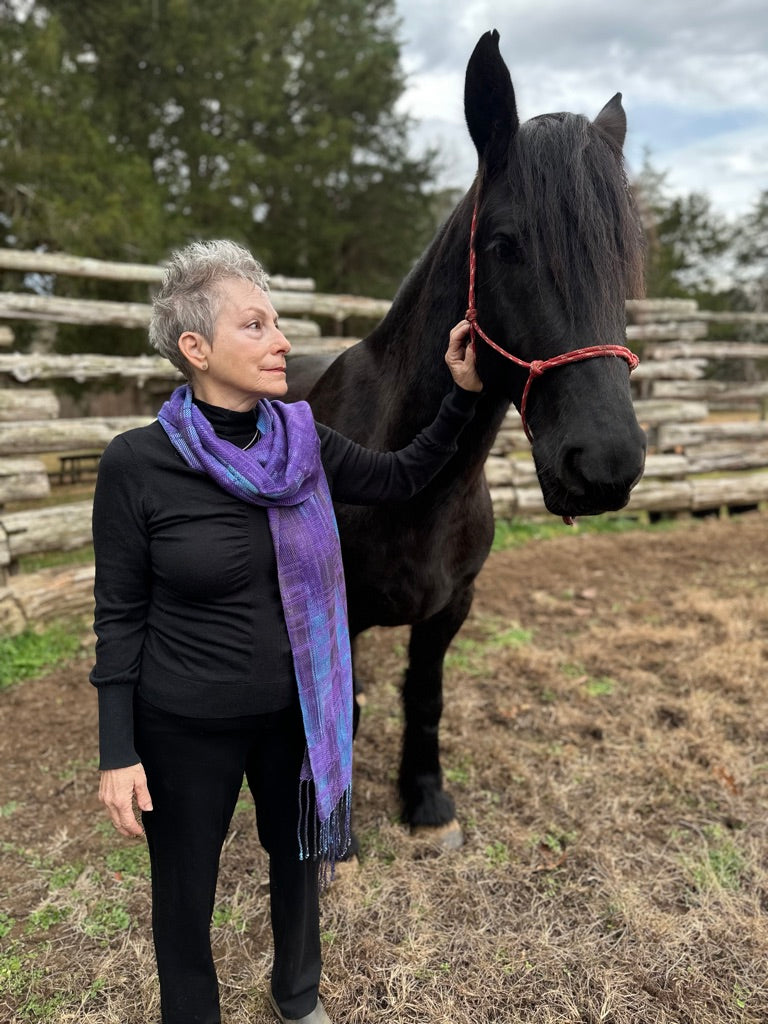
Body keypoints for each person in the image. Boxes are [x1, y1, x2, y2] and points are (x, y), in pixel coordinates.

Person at [91, 239, 482, 1024]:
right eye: (257, 326)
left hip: (294, 715)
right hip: (183, 725)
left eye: (278, 323)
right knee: (185, 885)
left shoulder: (302, 439)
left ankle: (298, 999)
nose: (282, 342)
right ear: (195, 349)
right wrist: (117, 752)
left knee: (299, 861)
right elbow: (119, 613)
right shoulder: (137, 464)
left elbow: (406, 473)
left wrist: (465, 394)